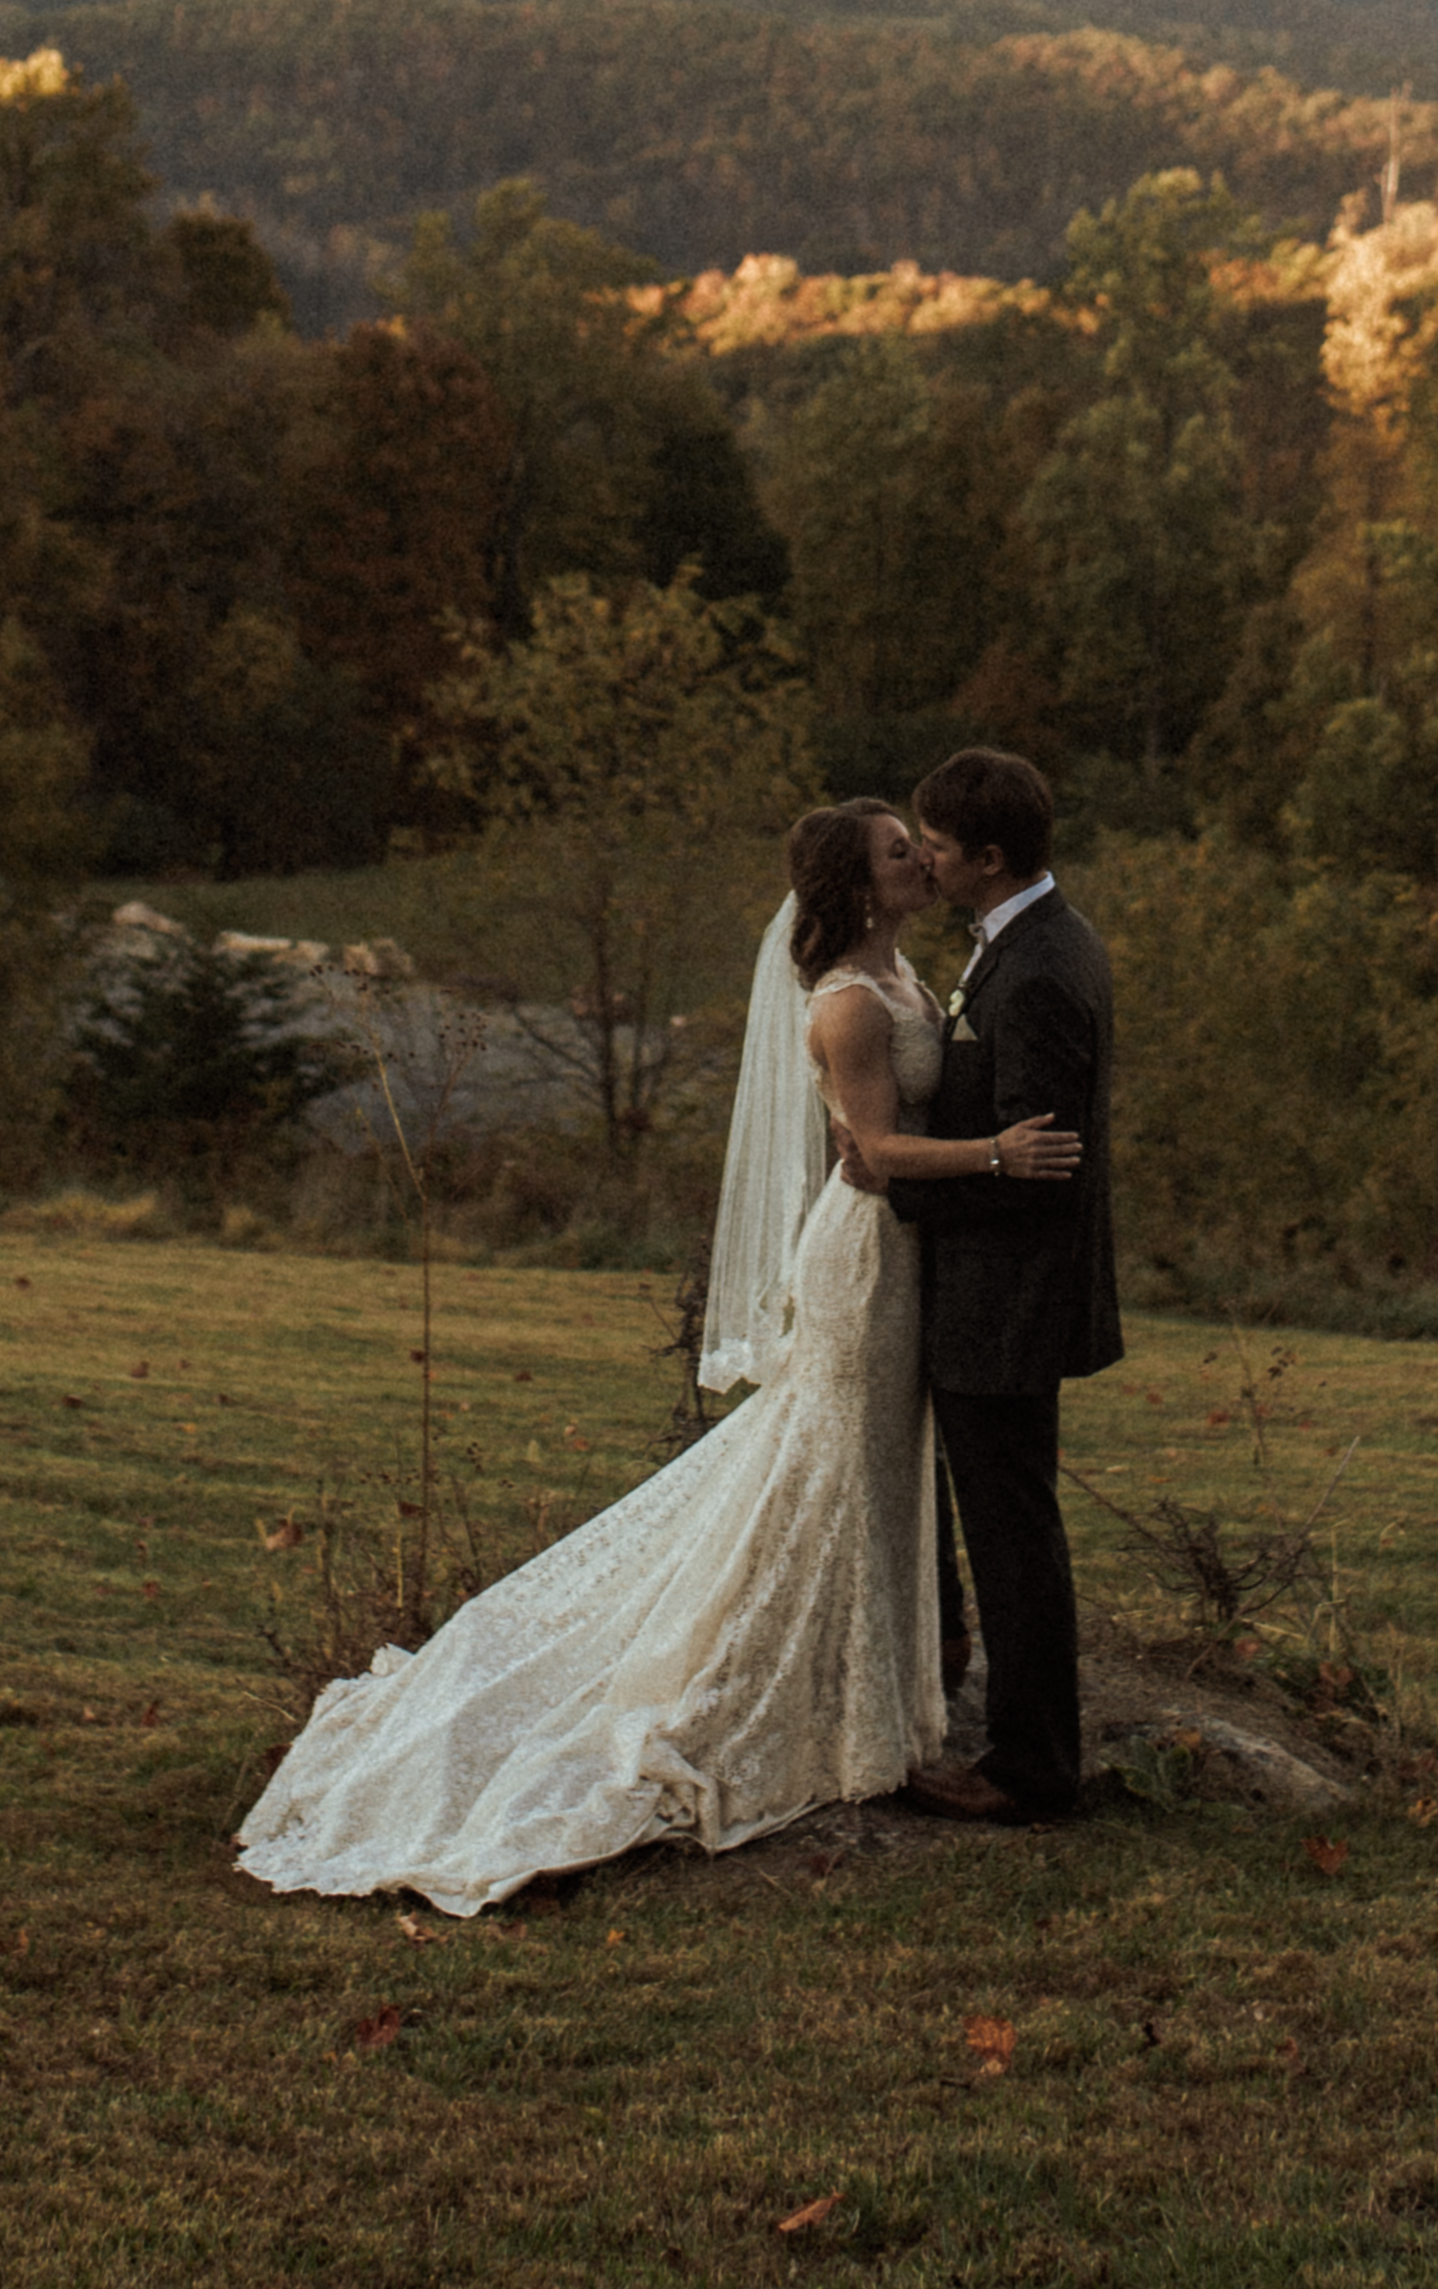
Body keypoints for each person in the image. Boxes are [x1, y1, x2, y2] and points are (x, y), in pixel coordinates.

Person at [230, 800, 1085, 1913]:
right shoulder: (847, 1005)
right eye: (895, 849)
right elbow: (872, 1145)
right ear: (856, 885)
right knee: (830, 1465)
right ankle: (792, 1692)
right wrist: (997, 1156)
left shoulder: (910, 978)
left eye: (917, 842)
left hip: (906, 1253)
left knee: (870, 1472)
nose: (919, 857)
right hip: (865, 1262)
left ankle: (871, 1696)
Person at [882, 745, 1119, 1823]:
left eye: (936, 844)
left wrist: (908, 1183)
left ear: (988, 855)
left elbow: (1039, 1165)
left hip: (1009, 1295)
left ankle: (1030, 1766)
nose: (924, 860)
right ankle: (1024, 1740)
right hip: (995, 1287)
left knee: (1013, 1527)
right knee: (1009, 1518)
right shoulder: (1020, 945)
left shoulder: (1038, 971)